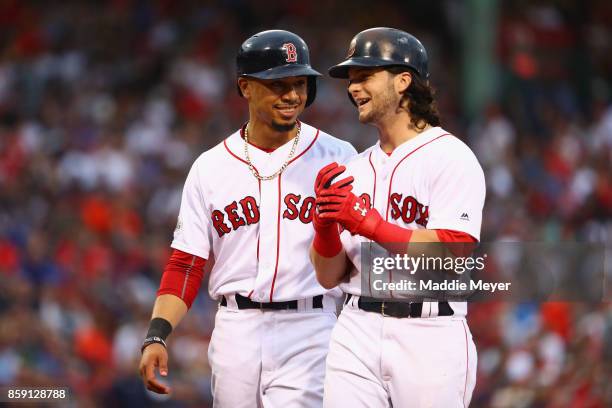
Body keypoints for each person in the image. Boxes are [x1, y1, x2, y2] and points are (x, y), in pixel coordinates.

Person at [138, 30, 356, 407]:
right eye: (278, 84)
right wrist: (157, 334)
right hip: (235, 330)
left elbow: (359, 254)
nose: (292, 95)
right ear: (246, 87)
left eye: (300, 83)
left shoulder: (339, 156)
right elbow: (186, 263)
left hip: (311, 326)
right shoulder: (210, 167)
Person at [310, 27, 486, 407]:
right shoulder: (354, 169)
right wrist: (324, 226)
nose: (353, 87)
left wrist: (369, 224)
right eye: (351, 79)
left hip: (429, 332)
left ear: (404, 80)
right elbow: (328, 276)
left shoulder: (450, 157)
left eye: (364, 76)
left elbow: (453, 255)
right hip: (356, 327)